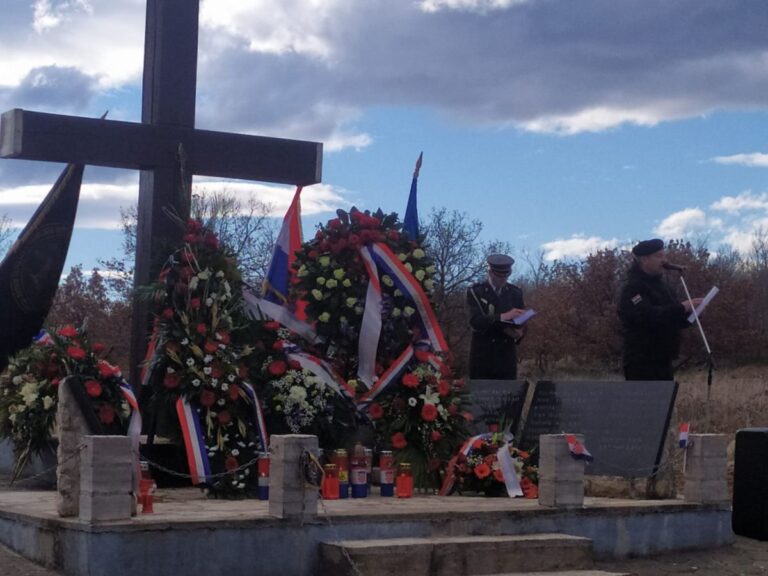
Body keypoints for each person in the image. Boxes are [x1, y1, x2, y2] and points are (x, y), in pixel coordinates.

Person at [618, 239, 703, 381]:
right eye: (659, 256)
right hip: (642, 361)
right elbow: (647, 316)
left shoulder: (664, 287)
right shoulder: (633, 287)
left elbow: (674, 319)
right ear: (645, 259)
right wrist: (682, 307)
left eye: (664, 256)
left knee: (665, 403)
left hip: (664, 359)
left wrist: (693, 313)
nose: (664, 260)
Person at [466, 254, 527, 380]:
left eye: (506, 276)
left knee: (508, 397)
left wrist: (520, 332)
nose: (503, 280)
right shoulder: (477, 292)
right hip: (483, 356)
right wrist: (503, 316)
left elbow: (522, 319)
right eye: (499, 276)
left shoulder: (515, 293)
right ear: (491, 272)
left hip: (506, 355)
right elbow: (476, 321)